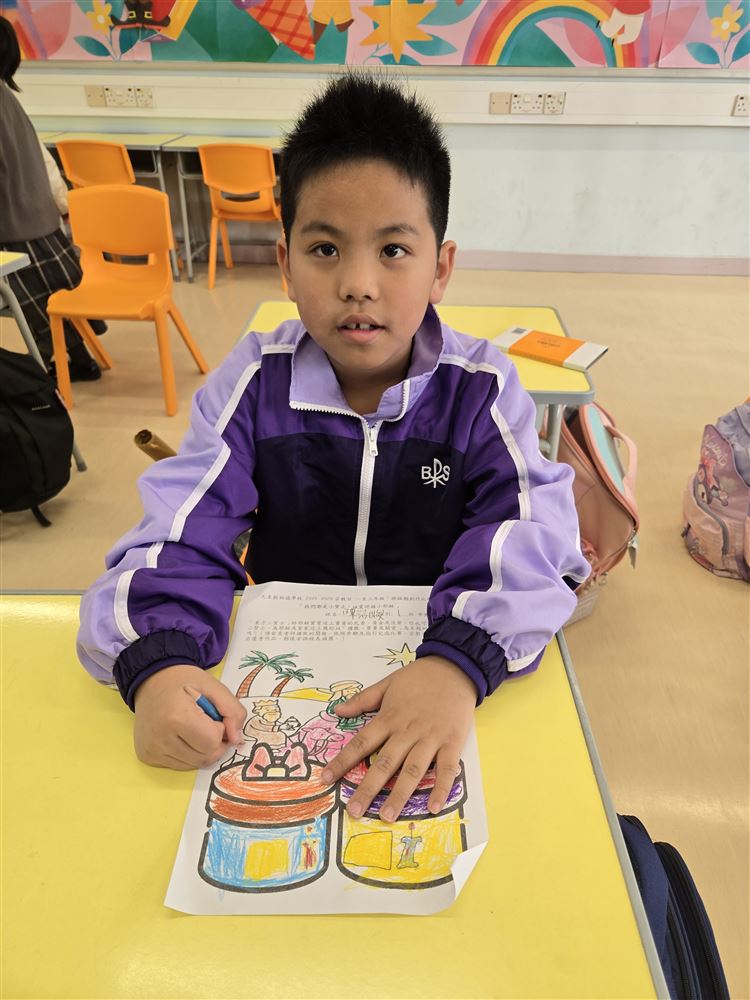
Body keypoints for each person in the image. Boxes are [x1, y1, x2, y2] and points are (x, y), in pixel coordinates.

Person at [77, 73, 590, 821]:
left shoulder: (481, 389)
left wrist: (458, 661)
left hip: (435, 663)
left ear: (441, 268)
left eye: (393, 249)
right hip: (287, 675)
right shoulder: (252, 384)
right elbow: (178, 528)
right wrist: (157, 663)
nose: (357, 284)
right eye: (324, 248)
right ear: (285, 264)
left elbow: (532, 528)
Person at [0, 15, 104, 379]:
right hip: (41, 222)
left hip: (15, 229)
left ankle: (50, 372)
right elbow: (45, 165)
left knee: (36, 309)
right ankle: (80, 360)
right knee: (56, 299)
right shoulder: (8, 97)